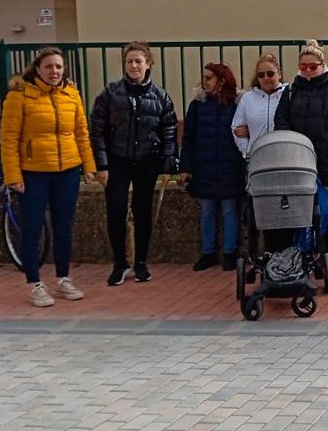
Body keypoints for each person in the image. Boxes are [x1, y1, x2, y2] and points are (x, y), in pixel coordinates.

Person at [0, 48, 97, 307]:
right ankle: (34, 282)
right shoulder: (19, 96)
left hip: (67, 171)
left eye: (58, 67)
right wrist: (13, 175)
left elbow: (81, 133)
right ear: (37, 69)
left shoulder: (71, 94)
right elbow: (9, 139)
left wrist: (88, 166)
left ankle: (63, 278)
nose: (54, 71)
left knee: (64, 227)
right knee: (32, 228)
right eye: (49, 66)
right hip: (33, 174)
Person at [90, 41, 178, 286]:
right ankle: (119, 264)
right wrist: (102, 165)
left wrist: (169, 164)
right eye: (130, 61)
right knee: (116, 211)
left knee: (143, 213)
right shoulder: (110, 93)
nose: (134, 65)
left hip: (147, 162)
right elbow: (96, 130)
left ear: (148, 64)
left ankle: (141, 263)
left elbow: (169, 130)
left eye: (139, 61)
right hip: (117, 161)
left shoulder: (160, 96)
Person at [273, 41, 328, 270]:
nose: (308, 71)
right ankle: (301, 252)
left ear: (322, 65)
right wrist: (291, 144)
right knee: (299, 207)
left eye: (313, 66)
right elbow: (281, 119)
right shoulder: (290, 91)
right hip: (299, 160)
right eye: (303, 66)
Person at [179, 62, 246, 272]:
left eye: (209, 78)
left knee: (228, 210)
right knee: (207, 210)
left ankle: (229, 252)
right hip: (204, 165)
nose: (204, 82)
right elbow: (188, 138)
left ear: (222, 80)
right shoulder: (198, 106)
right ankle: (207, 252)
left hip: (229, 166)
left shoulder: (236, 105)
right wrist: (186, 167)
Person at [232, 53, 286, 158]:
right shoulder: (248, 98)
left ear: (279, 74)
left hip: (283, 155)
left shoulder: (289, 94)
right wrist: (247, 150)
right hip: (257, 157)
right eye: (261, 75)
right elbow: (236, 128)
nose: (266, 78)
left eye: (270, 74)